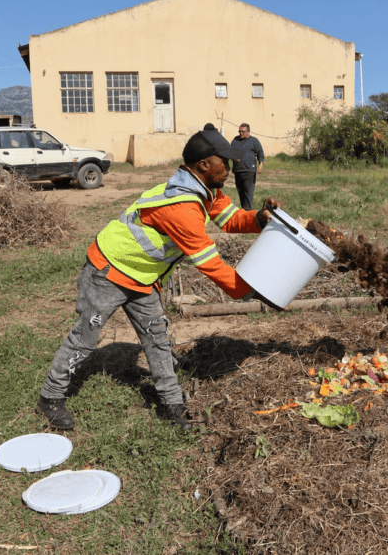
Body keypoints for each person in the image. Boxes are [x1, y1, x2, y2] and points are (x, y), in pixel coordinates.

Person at [36, 123, 280, 431]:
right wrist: (254, 293)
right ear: (204, 165)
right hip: (107, 273)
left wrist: (260, 218)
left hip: (141, 279)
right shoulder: (182, 207)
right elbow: (211, 264)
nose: (230, 168)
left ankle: (171, 404)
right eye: (224, 161)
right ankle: (50, 397)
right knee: (86, 337)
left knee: (156, 339)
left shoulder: (204, 191)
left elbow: (231, 219)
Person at [230, 123, 265, 210]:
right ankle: (244, 211)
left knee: (248, 193)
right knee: (241, 193)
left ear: (248, 131)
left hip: (249, 171)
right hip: (238, 171)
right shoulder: (235, 140)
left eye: (243, 131)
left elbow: (260, 152)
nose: (241, 133)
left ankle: (248, 212)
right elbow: (230, 152)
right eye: (239, 131)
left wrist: (261, 164)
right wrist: (234, 157)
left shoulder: (253, 141)